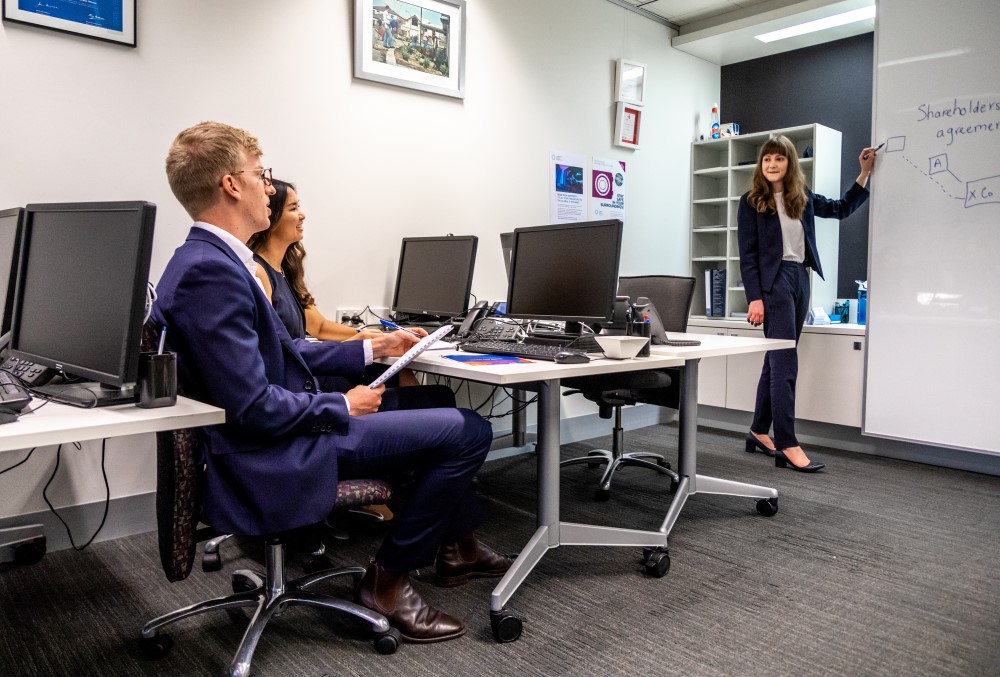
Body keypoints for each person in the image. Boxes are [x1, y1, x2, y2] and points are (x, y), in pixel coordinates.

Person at [153, 121, 512, 643]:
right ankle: (388, 580)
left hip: (276, 434)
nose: (269, 188)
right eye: (261, 175)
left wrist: (375, 347)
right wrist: (341, 405)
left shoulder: (209, 262)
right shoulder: (213, 272)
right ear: (232, 185)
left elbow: (285, 351)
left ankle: (453, 548)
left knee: (435, 413)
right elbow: (254, 406)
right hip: (272, 451)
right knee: (468, 431)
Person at [737, 135, 875, 473]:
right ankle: (787, 442)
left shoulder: (803, 198)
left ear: (789, 163)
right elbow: (748, 255)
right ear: (761, 165)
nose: (772, 164)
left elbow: (841, 209)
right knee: (786, 362)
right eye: (767, 159)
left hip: (800, 278)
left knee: (776, 359)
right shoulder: (751, 201)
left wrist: (864, 174)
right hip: (773, 284)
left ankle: (758, 430)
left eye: (779, 159)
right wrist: (755, 297)